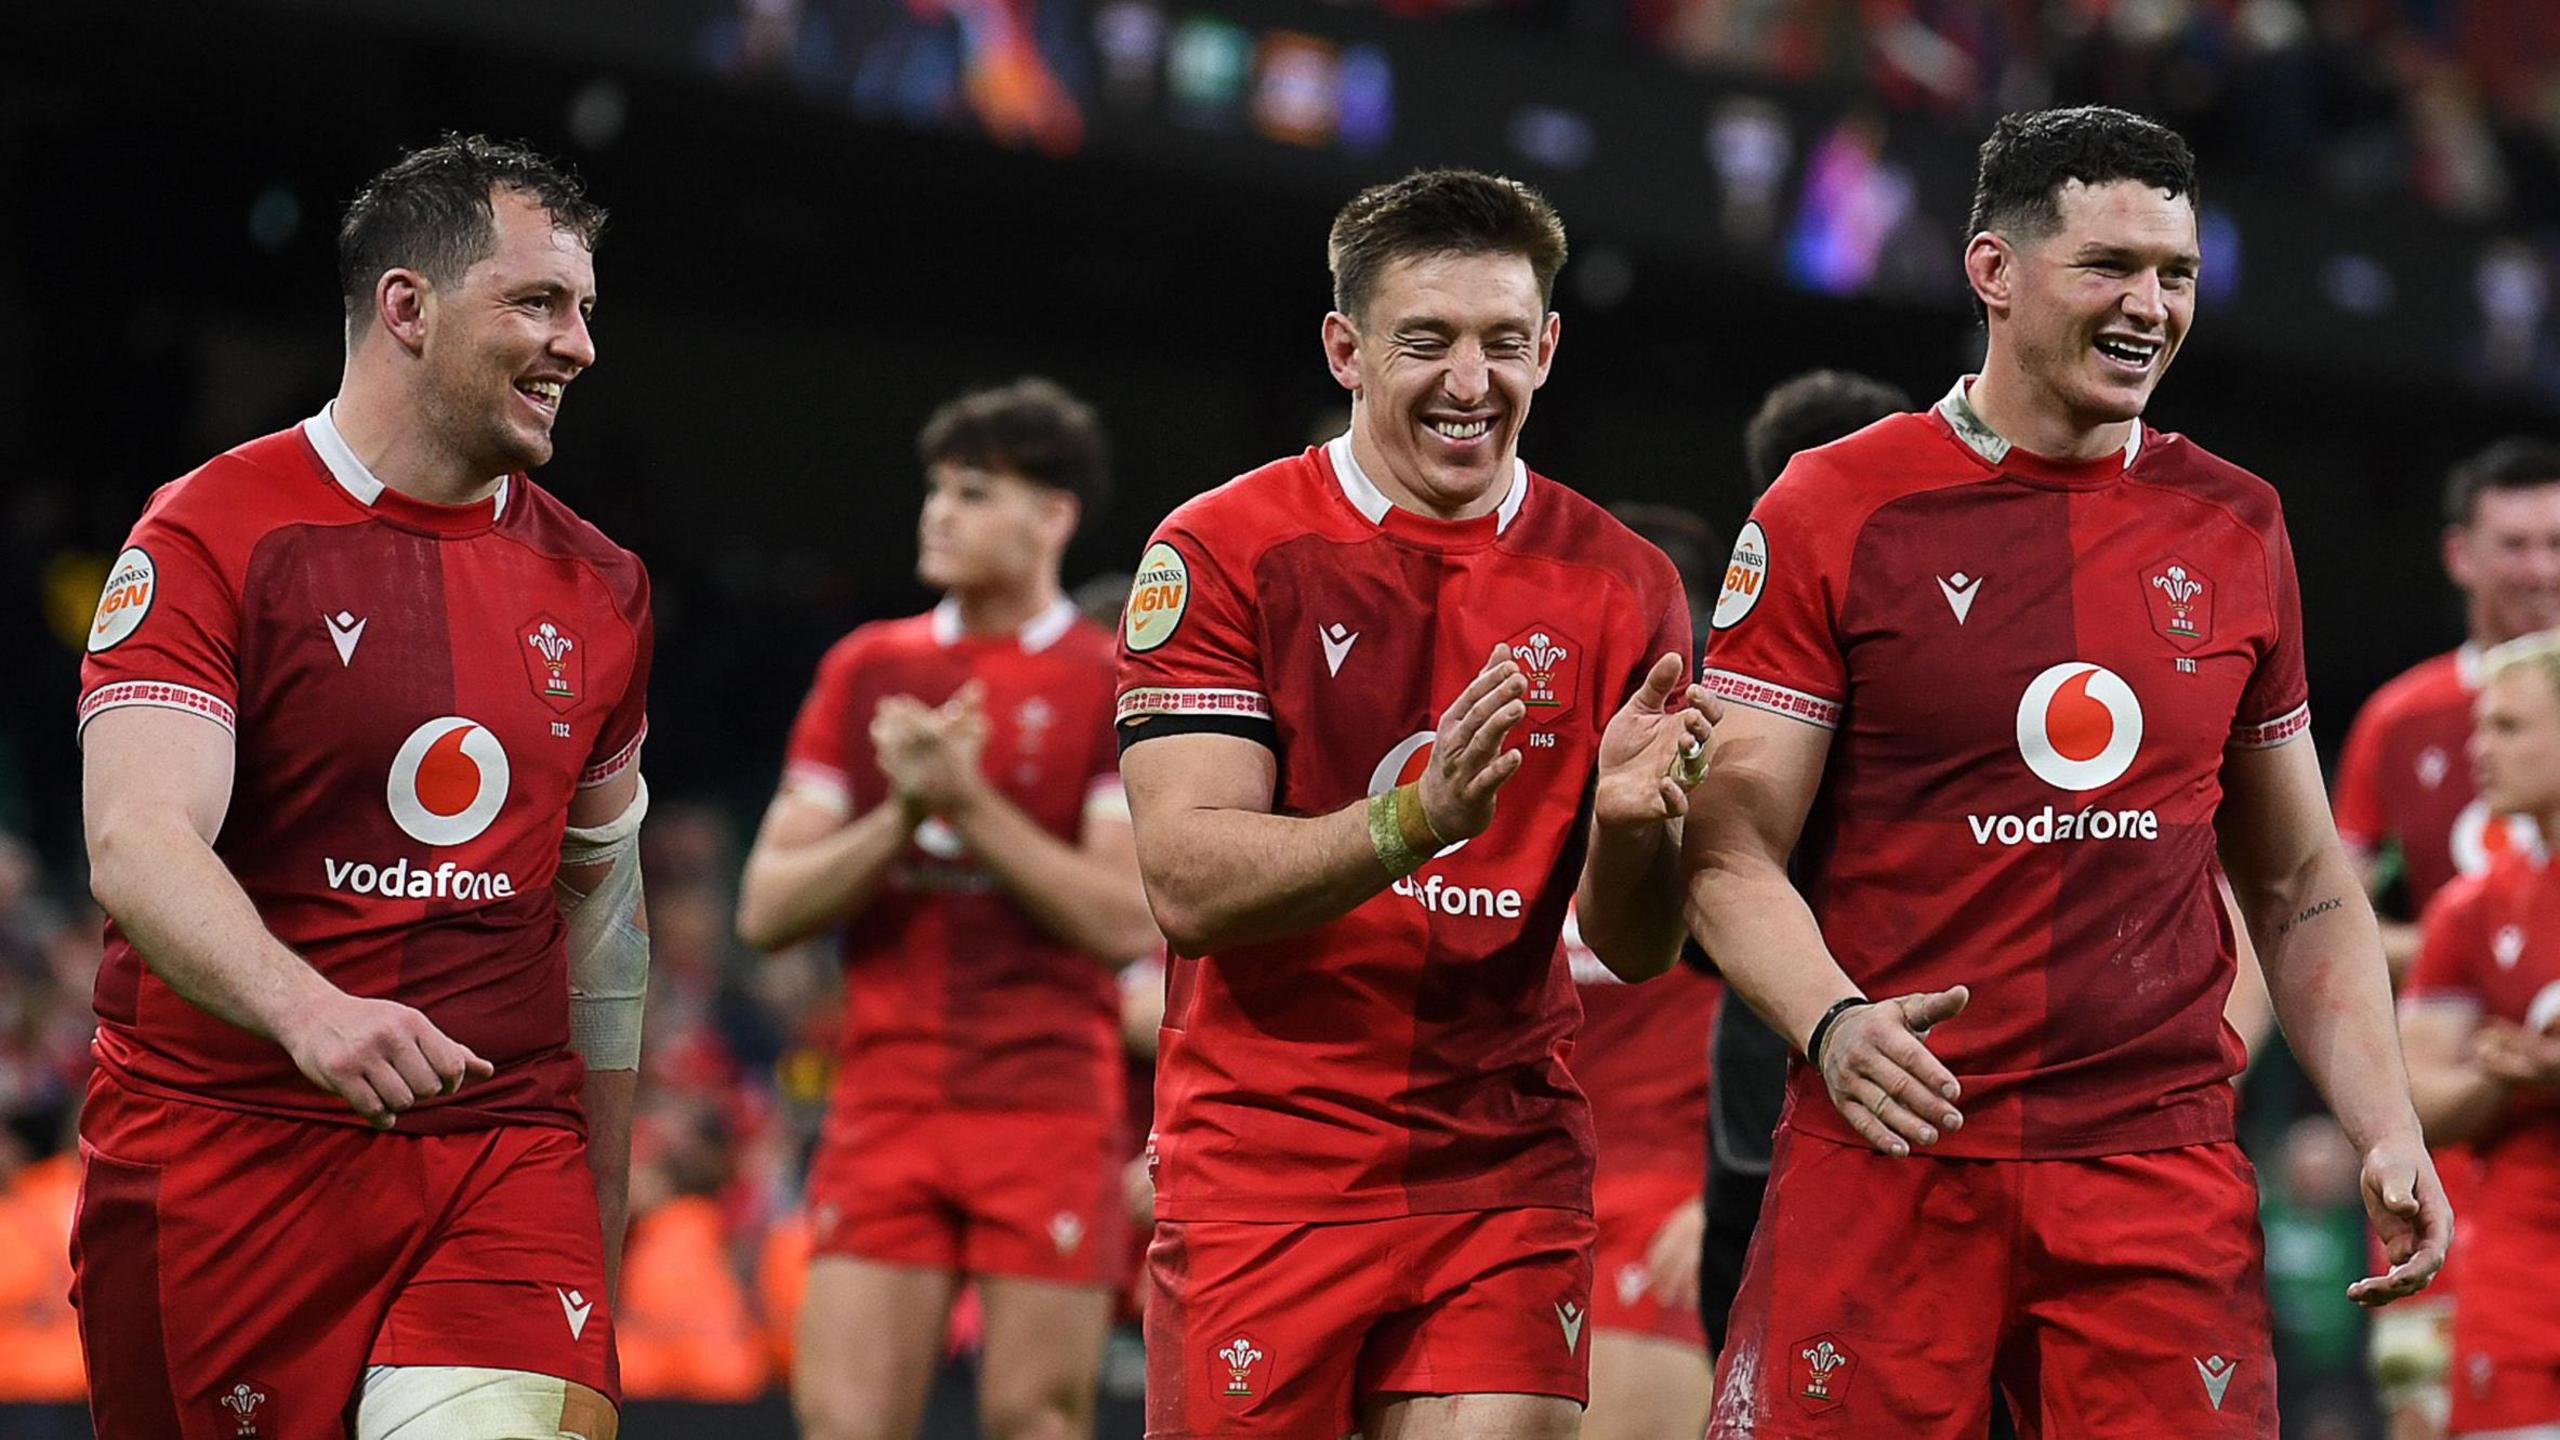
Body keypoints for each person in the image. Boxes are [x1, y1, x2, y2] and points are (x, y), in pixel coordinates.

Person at [1686, 105, 2448, 1437]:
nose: (2150, 305)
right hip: (1892, 1148)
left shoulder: (2238, 523)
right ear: (1995, 272)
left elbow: (2300, 877)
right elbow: (1727, 845)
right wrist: (1833, 1019)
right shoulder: (1832, 508)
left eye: (2177, 274)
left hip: (2155, 1167)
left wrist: (2385, 1122)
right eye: (2111, 267)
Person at [1116, 168, 1712, 1440]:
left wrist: (1628, 828)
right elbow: (1187, 882)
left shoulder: (1626, 586)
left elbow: (1636, 946)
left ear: (1547, 347)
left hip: (1503, 1160)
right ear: (1345, 348)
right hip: (1265, 1159)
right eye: (1425, 341)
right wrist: (1415, 819)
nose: (1468, 380)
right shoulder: (1225, 549)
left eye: (1504, 341)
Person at [74, 135, 651, 1439]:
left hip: (502, 1153)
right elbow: (139, 838)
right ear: (407, 307)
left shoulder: (606, 588)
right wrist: (309, 1009)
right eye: (539, 302)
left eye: (587, 310)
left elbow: (605, 911)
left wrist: (597, 1187)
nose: (580, 346)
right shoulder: (211, 533)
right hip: (227, 1157)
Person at [735, 377, 1154, 1440]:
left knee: (1037, 1421)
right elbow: (766, 908)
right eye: (937, 492)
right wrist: (902, 819)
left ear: (1052, 516)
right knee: (843, 1423)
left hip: (1048, 1102)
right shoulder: (869, 669)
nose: (939, 514)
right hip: (887, 1096)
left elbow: (1121, 920)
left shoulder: (1109, 680)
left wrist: (965, 802)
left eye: (973, 493)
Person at [2335, 438, 2560, 1440]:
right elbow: (2320, 914)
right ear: (2460, 555)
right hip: (2452, 1120)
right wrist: (2462, 943)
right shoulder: (2400, 720)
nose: (2540, 569)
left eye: (2557, 543)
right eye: (2514, 544)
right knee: (2426, 1402)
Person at [1694, 369, 1913, 1367]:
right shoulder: (1740, 670)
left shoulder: (1727, 676)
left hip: (1774, 1092)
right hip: (1871, 1087)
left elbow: (1696, 924)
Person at [2401, 629, 2560, 1440]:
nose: (2478, 750)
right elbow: (2419, 1099)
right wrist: (2506, 1077)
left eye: (2507, 728)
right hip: (2519, 1276)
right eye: (2477, 727)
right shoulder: (2470, 906)